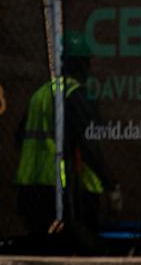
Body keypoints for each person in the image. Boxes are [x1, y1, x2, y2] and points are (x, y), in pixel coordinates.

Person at [14, 31, 119, 252]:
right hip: (64, 189)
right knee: (79, 246)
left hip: (30, 186)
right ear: (82, 64)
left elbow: (19, 136)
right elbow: (89, 145)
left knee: (41, 249)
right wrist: (110, 184)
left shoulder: (41, 94)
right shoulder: (75, 95)